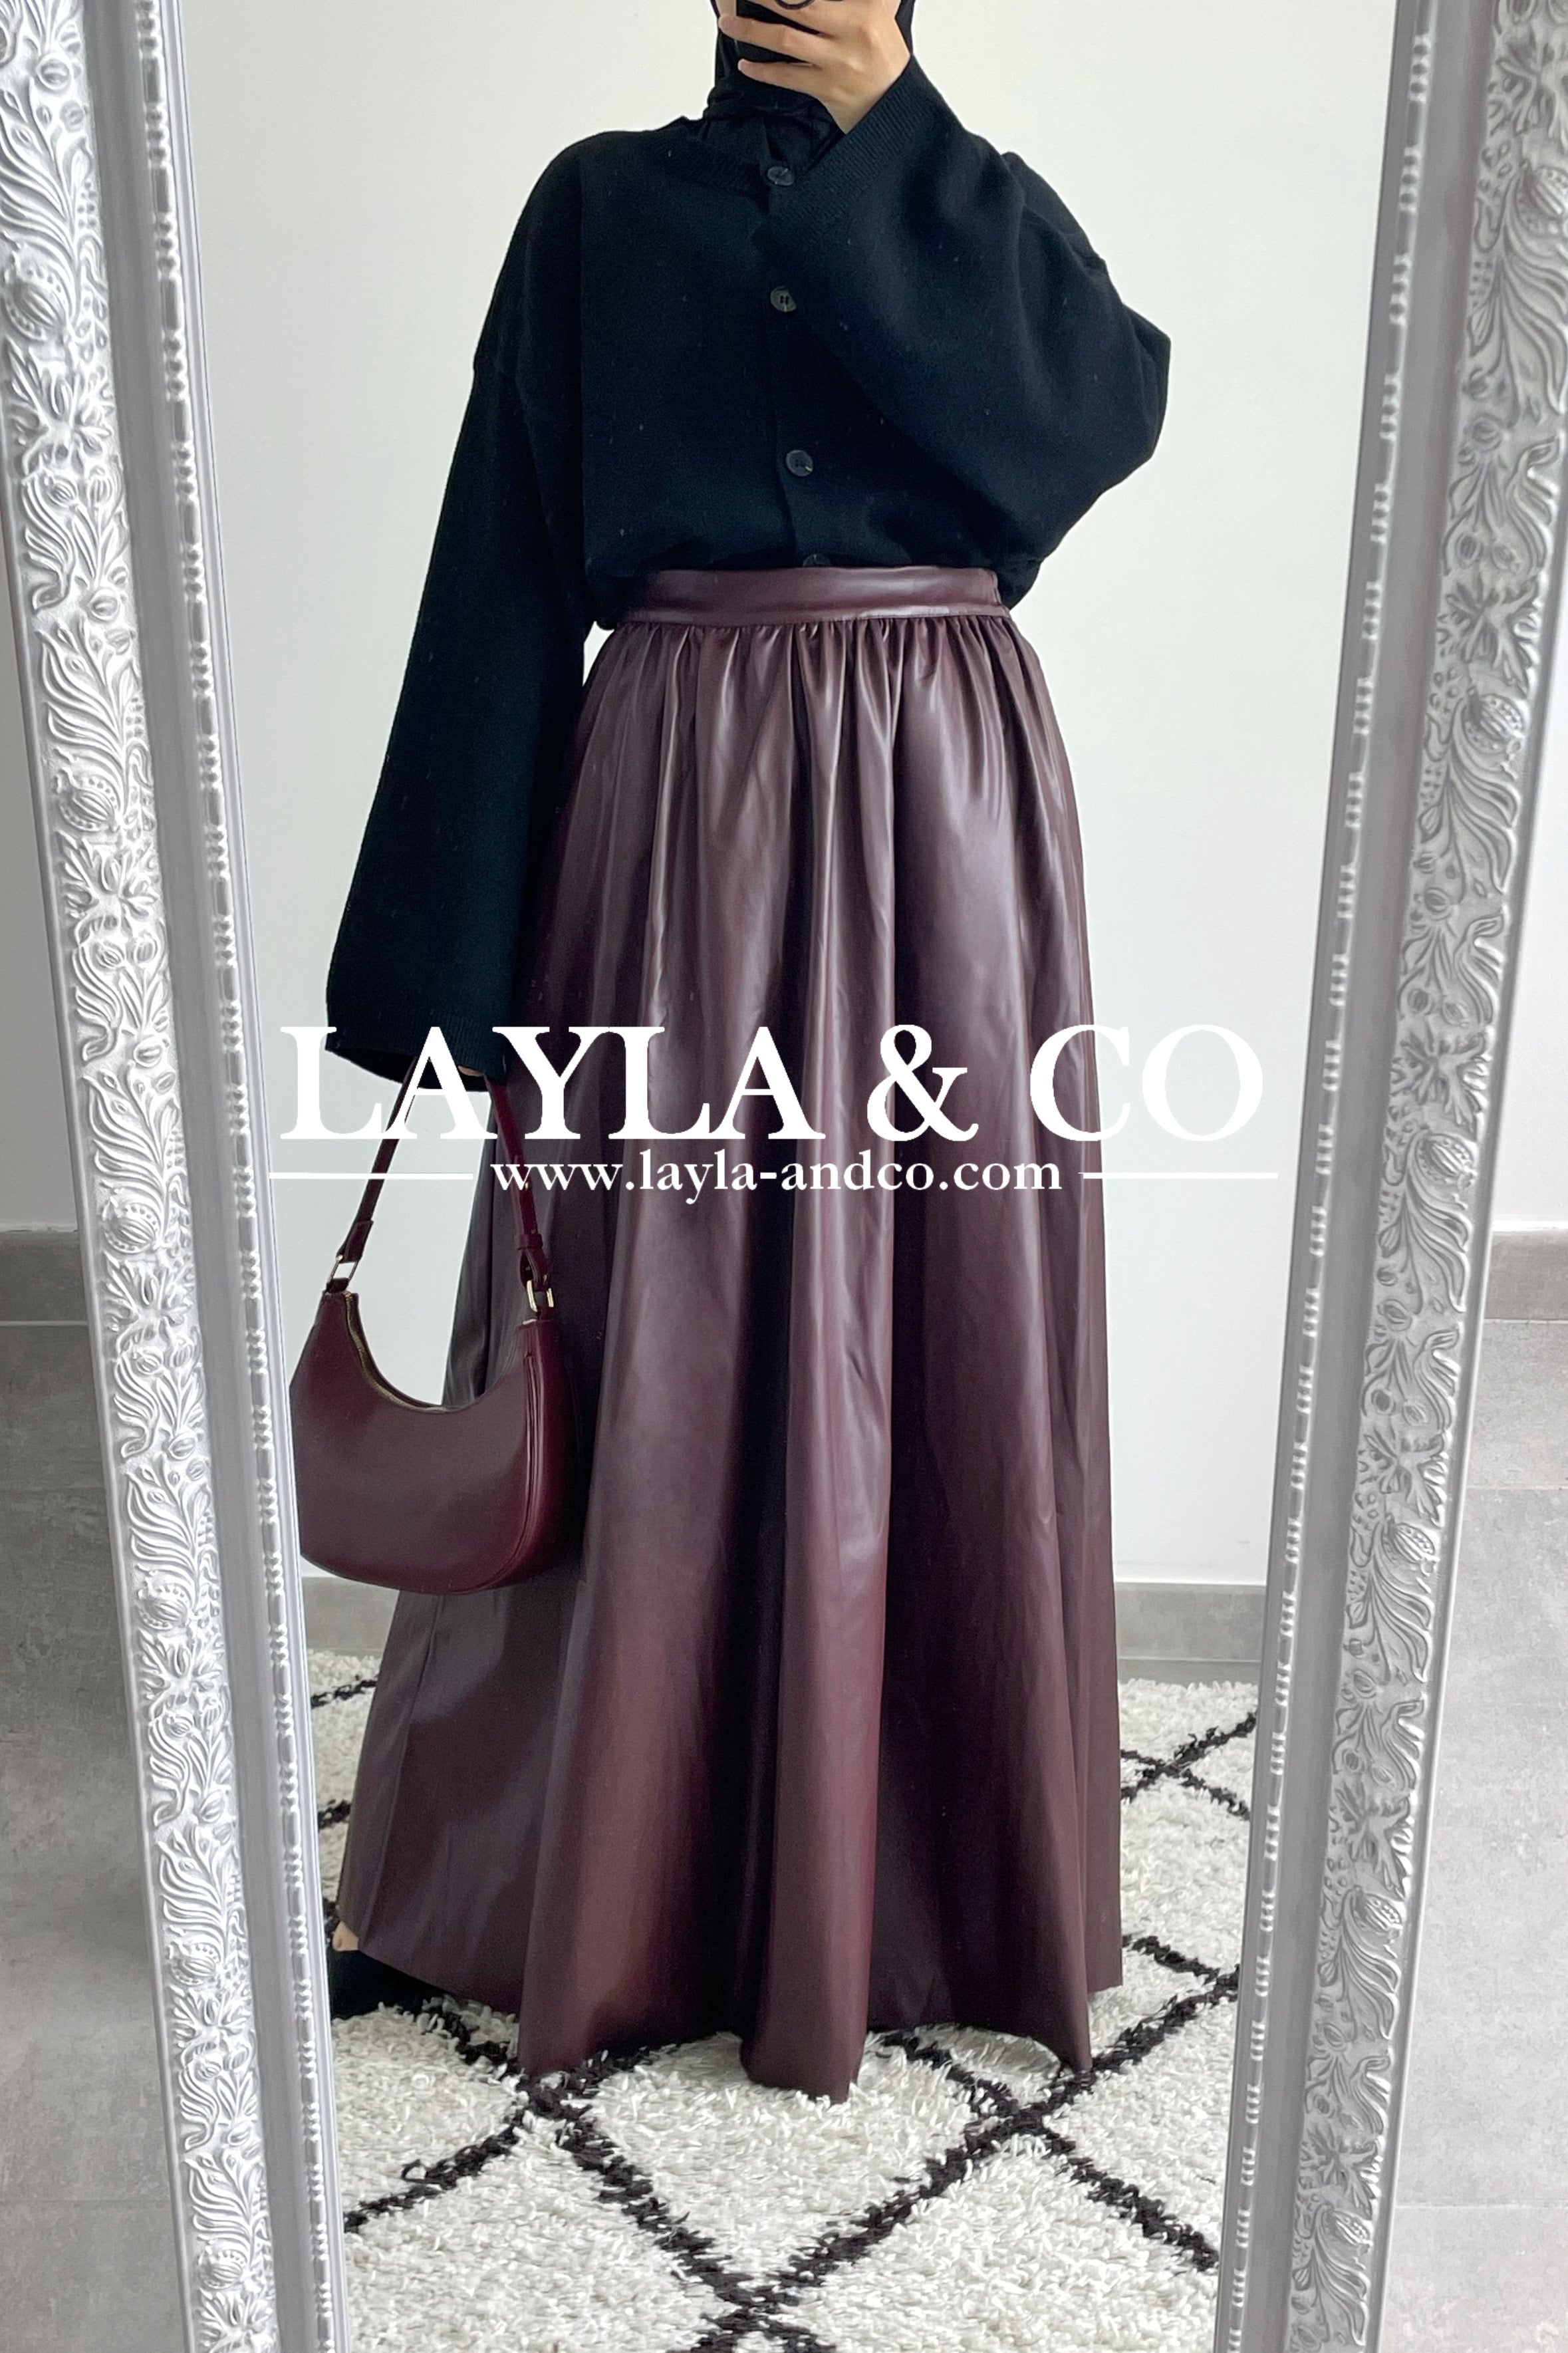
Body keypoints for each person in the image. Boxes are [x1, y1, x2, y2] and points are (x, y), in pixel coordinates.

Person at [322, 0, 1169, 2103]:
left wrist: (901, 138)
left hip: (941, 817)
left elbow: (1089, 426)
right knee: (634, 1315)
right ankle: (570, 1878)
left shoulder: (987, 217)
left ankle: (938, 1894)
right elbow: (503, 569)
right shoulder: (597, 212)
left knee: (949, 1305)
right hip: (671, 814)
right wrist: (446, 977)